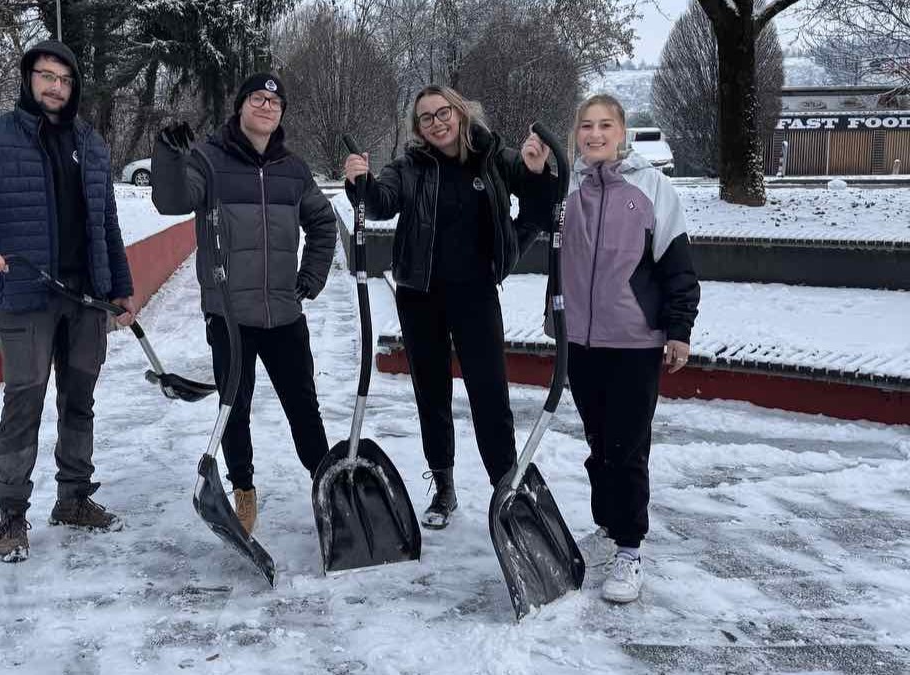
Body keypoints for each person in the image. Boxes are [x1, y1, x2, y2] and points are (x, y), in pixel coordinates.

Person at [0, 40, 137, 563]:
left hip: (87, 297)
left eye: (65, 79)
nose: (55, 86)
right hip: (27, 295)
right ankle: (11, 515)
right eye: (46, 76)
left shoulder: (91, 143)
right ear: (29, 79)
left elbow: (107, 224)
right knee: (24, 402)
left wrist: (120, 286)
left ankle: (73, 498)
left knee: (80, 399)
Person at [342, 85, 554, 530]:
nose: (437, 123)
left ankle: (506, 490)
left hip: (476, 295)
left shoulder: (493, 157)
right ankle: (443, 486)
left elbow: (540, 203)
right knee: (432, 394)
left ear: (460, 112)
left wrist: (534, 176)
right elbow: (380, 203)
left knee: (490, 395)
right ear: (417, 128)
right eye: (426, 118)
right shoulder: (409, 166)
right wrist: (361, 181)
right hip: (420, 296)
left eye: (443, 113)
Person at [150, 73, 338, 536]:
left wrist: (311, 277)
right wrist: (168, 154)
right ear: (240, 106)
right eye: (258, 98)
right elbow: (172, 201)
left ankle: (328, 485)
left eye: (275, 101)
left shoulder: (293, 170)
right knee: (235, 408)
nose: (267, 106)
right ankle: (244, 492)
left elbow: (323, 223)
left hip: (284, 313)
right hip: (230, 316)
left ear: (282, 113)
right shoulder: (209, 160)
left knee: (304, 407)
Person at [558, 94, 700, 603]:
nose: (595, 134)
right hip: (581, 339)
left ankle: (629, 547)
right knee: (599, 444)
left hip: (635, 340)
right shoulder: (567, 188)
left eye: (605, 125)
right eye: (586, 126)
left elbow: (677, 265)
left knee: (628, 447)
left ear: (622, 133)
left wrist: (679, 329)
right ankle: (607, 525)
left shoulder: (653, 188)